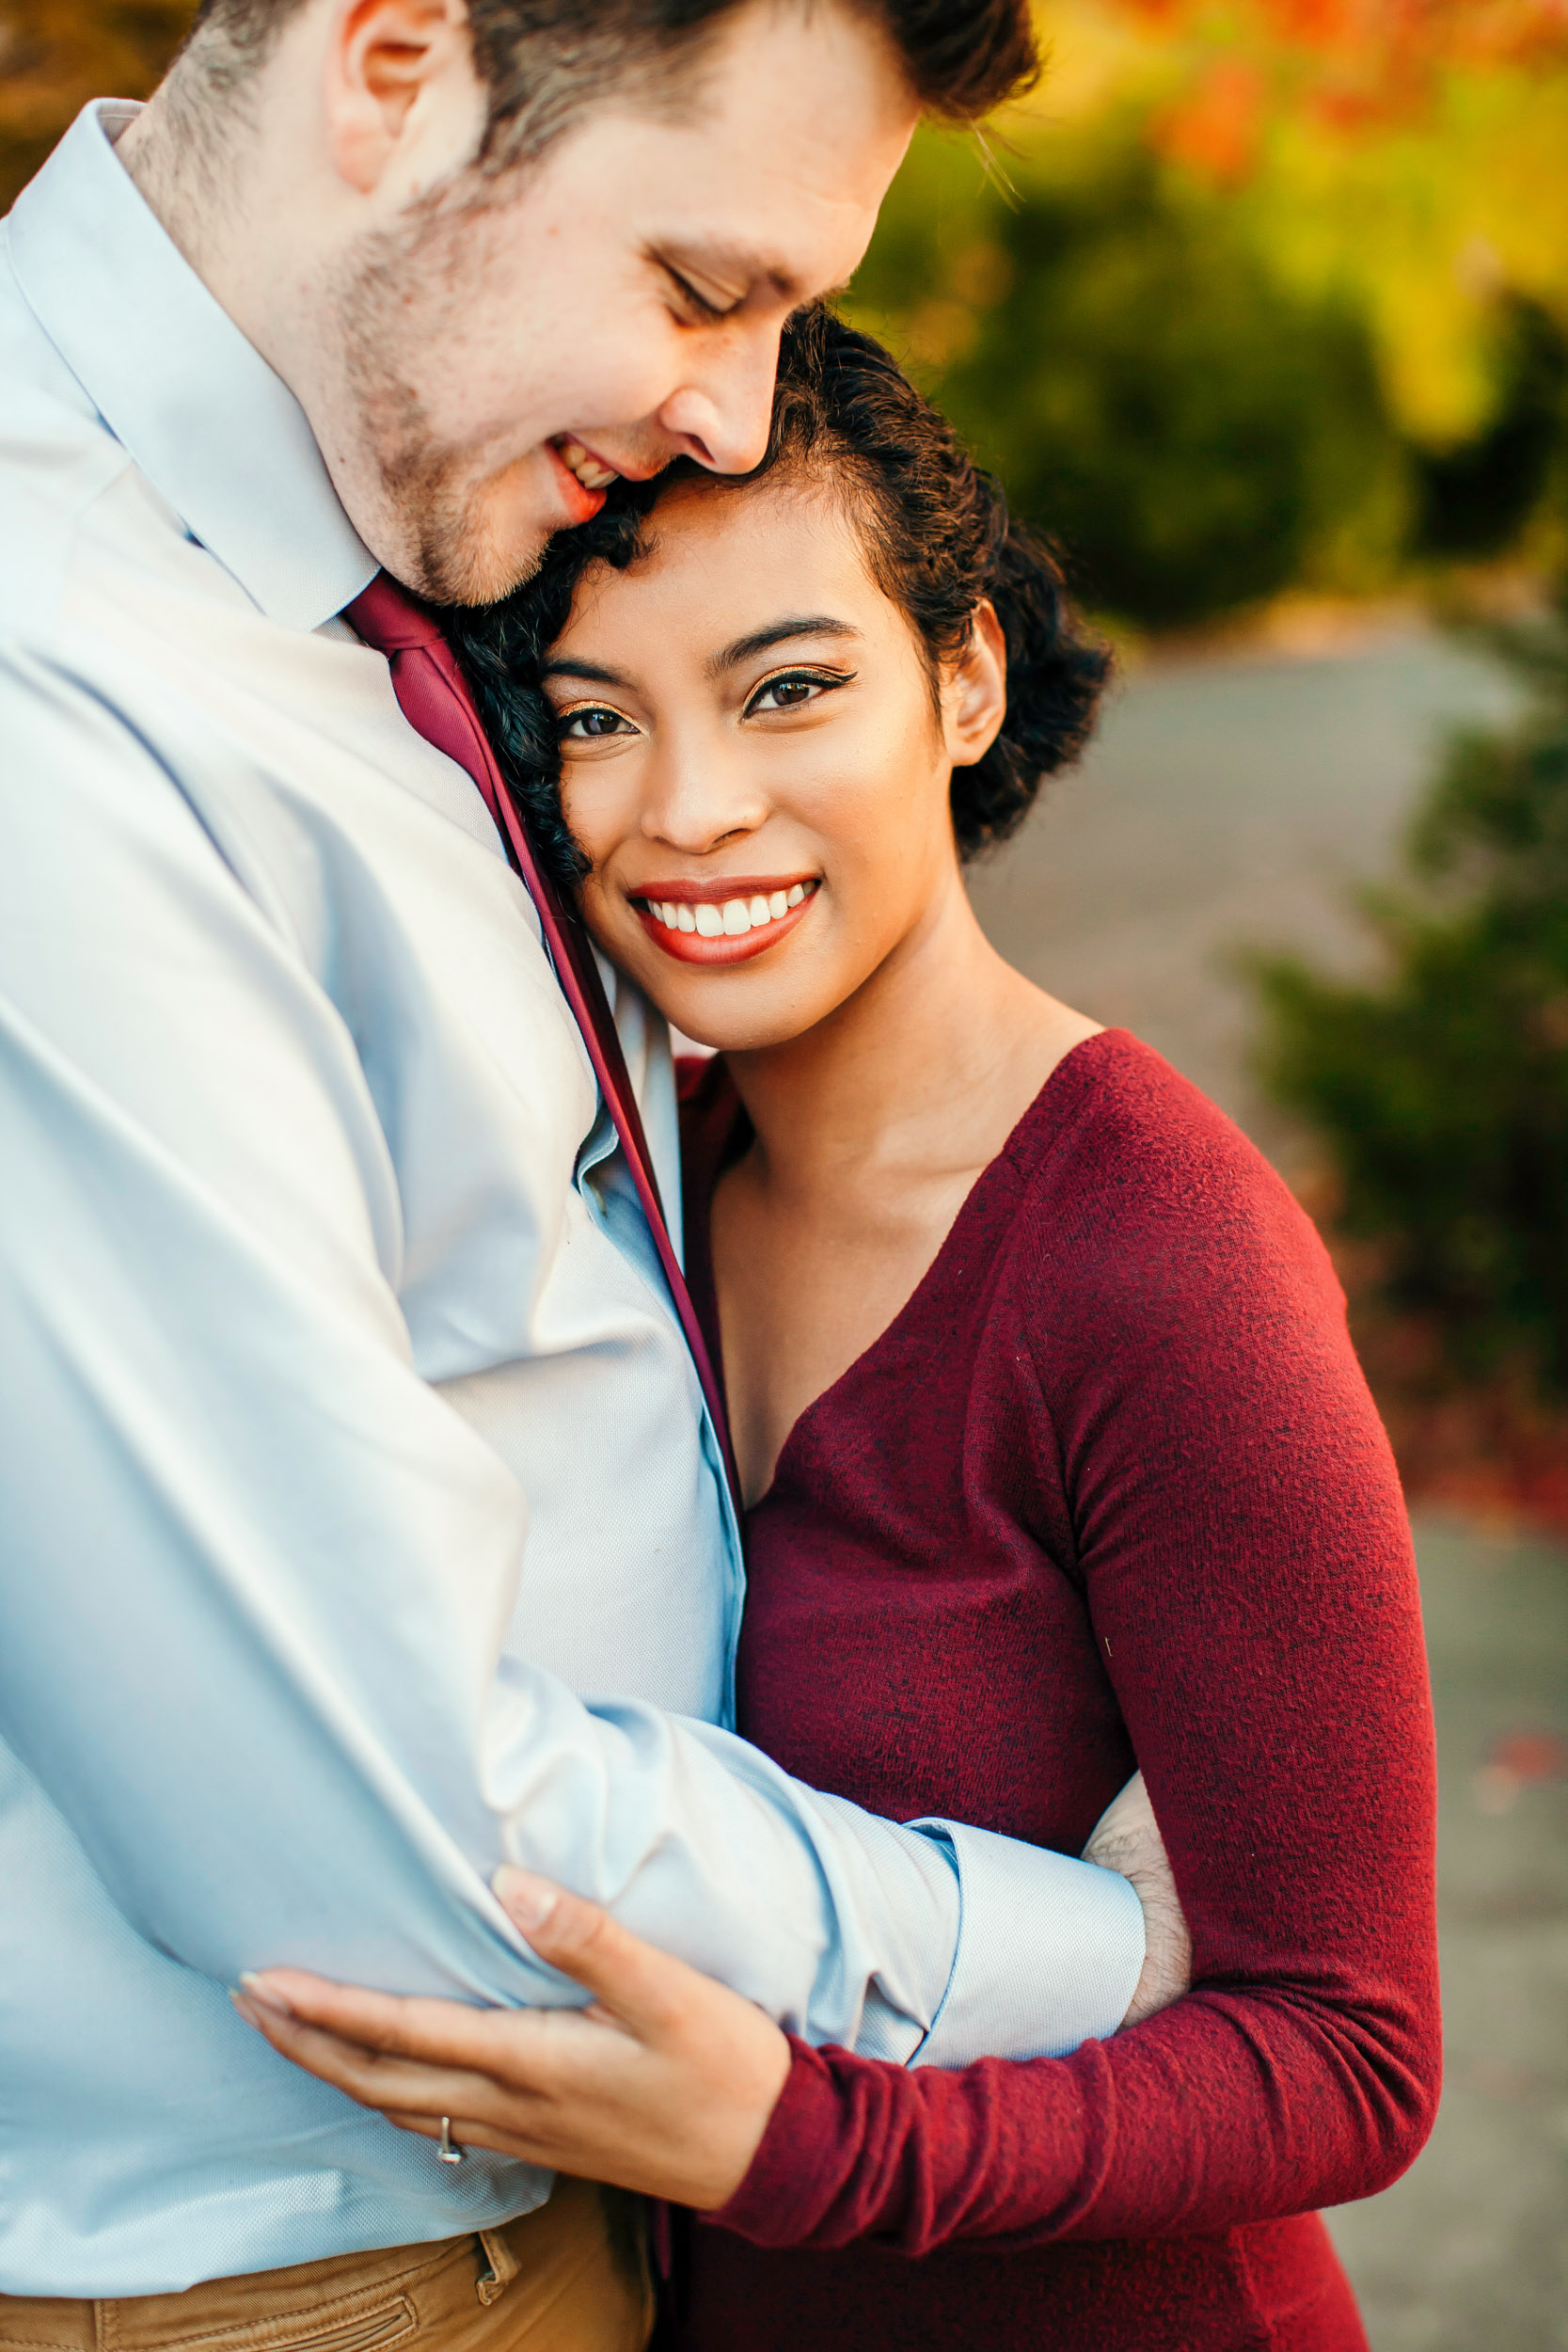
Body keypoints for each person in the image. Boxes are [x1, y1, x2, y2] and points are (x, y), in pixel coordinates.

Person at [0, 4, 1198, 2347]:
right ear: (392, 63)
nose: (740, 418)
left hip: (582, 2193)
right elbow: (361, 1821)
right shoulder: (56, 709)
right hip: (324, 2269)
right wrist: (1106, 1951)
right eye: (701, 287)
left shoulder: (377, 496)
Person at [238, 309, 1443, 2351]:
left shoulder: (1158, 1260)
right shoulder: (619, 1192)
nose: (688, 809)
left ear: (962, 678)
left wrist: (803, 2143)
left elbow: (1350, 2054)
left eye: (788, 687)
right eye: (598, 719)